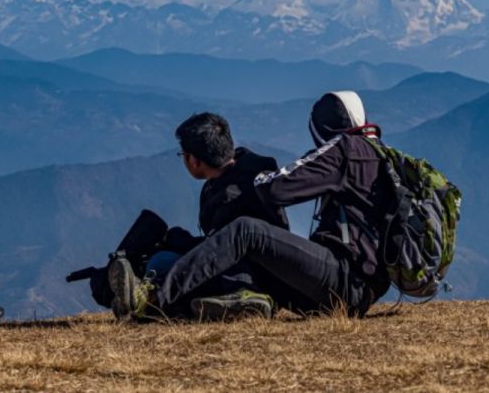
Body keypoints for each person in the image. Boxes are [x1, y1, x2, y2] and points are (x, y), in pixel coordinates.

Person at [110, 91, 393, 321]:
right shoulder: (376, 154)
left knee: (246, 230)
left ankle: (153, 296)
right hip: (354, 286)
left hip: (346, 284)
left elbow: (276, 189)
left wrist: (254, 178)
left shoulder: (343, 152)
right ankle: (248, 301)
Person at [108, 112, 289, 320]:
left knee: (160, 263)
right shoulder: (250, 170)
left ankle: (152, 301)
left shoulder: (231, 198)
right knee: (164, 257)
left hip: (245, 277)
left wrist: (182, 243)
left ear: (194, 160)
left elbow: (219, 253)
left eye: (183, 155)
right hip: (264, 269)